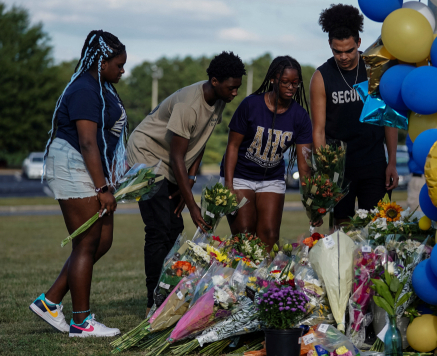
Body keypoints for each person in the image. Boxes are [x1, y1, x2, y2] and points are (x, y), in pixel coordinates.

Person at [126, 52, 245, 313]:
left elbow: (198, 143)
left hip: (170, 161)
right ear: (214, 81)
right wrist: (192, 205)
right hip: (146, 156)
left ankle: (169, 292)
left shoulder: (219, 99)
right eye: (231, 87)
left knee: (174, 228)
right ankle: (153, 302)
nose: (235, 92)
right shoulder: (189, 105)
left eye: (237, 86)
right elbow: (177, 154)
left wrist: (189, 183)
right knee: (159, 228)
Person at [31, 30, 127, 337]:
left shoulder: (102, 86)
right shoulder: (86, 89)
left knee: (102, 240)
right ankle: (81, 322)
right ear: (102, 62)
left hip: (87, 165)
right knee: (85, 243)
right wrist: (102, 189)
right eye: (118, 64)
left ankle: (50, 301)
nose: (122, 70)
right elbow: (87, 142)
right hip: (74, 163)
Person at [310, 4, 399, 227]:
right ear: (330, 46)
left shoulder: (375, 68)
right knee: (342, 232)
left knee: (378, 228)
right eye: (337, 51)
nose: (343, 56)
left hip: (374, 163)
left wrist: (393, 162)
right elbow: (318, 129)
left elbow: (388, 118)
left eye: (349, 50)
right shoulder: (321, 76)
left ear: (358, 43)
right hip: (340, 169)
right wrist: (324, 172)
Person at [221, 56, 314, 250]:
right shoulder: (251, 105)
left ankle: (264, 281)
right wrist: (228, 186)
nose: (291, 87)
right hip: (240, 176)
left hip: (271, 178)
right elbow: (232, 147)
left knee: (270, 236)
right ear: (273, 79)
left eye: (295, 83)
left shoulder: (300, 116)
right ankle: (241, 279)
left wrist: (311, 200)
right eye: (285, 82)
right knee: (244, 234)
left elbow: (304, 164)